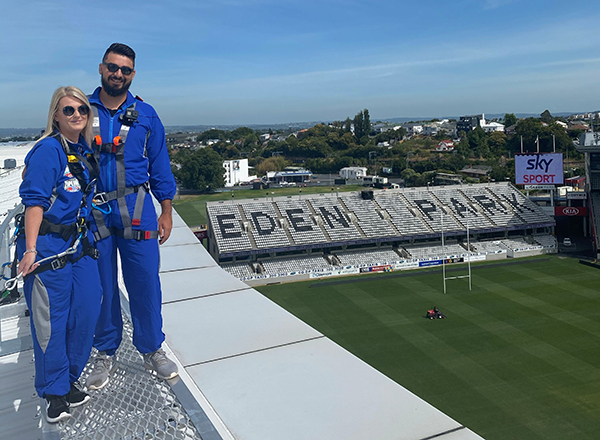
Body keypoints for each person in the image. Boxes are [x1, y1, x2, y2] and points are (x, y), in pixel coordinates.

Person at [85, 43, 178, 390]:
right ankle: (105, 351)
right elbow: (60, 145)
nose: (118, 74)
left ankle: (152, 348)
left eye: (125, 70)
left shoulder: (146, 114)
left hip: (138, 210)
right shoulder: (81, 108)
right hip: (94, 212)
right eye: (113, 67)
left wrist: (166, 209)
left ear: (133, 75)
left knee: (145, 284)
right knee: (101, 287)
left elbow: (160, 165)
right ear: (101, 68)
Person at [17, 86, 102, 423]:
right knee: (51, 322)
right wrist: (31, 249)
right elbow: (34, 203)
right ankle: (54, 391)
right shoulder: (48, 151)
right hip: (48, 248)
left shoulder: (81, 151)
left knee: (86, 309)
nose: (77, 115)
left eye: (81, 109)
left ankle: (69, 378)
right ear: (56, 115)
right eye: (68, 110)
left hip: (78, 245)